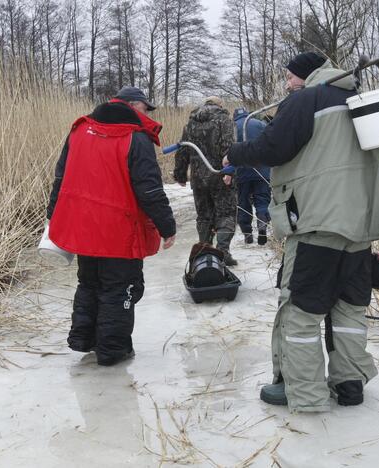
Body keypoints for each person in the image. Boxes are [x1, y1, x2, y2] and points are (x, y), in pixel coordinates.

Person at [223, 52, 379, 412]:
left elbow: (273, 148)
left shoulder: (305, 100)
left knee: (300, 315)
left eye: (289, 77)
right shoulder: (358, 100)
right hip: (360, 228)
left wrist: (234, 154)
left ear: (306, 75)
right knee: (349, 312)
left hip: (318, 225)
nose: (286, 84)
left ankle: (305, 394)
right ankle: (350, 385)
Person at [47, 86, 177, 366]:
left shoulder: (79, 130)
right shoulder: (135, 139)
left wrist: (53, 213)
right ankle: (111, 350)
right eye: (145, 108)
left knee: (90, 282)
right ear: (132, 106)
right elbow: (149, 189)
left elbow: (61, 176)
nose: (147, 115)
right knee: (121, 288)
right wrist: (167, 226)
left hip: (85, 228)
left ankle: (84, 339)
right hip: (120, 231)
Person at [173, 96, 238, 266]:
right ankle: (223, 252)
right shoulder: (224, 120)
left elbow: (182, 150)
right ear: (219, 104)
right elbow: (229, 146)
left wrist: (180, 174)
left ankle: (205, 253)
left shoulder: (190, 124)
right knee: (226, 213)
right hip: (219, 175)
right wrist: (229, 172)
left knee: (203, 215)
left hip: (198, 179)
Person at [232, 107, 271, 245]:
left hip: (242, 172)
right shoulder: (260, 124)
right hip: (262, 170)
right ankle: (262, 225)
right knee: (262, 199)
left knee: (243, 202)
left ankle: (247, 233)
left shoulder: (233, 127)